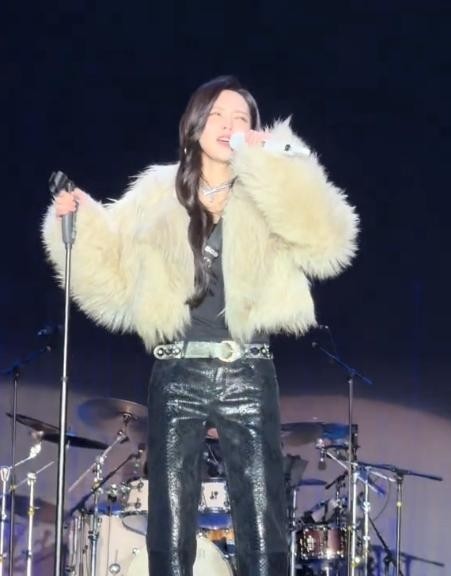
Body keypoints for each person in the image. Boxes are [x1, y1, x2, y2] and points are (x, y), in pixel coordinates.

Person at [42, 75, 358, 576]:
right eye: (218, 115)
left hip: (247, 371)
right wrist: (79, 221)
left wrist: (276, 160)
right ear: (195, 124)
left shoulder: (265, 191)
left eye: (241, 118)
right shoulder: (157, 192)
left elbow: (328, 241)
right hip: (177, 374)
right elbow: (112, 272)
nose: (229, 125)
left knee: (263, 520)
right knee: (168, 523)